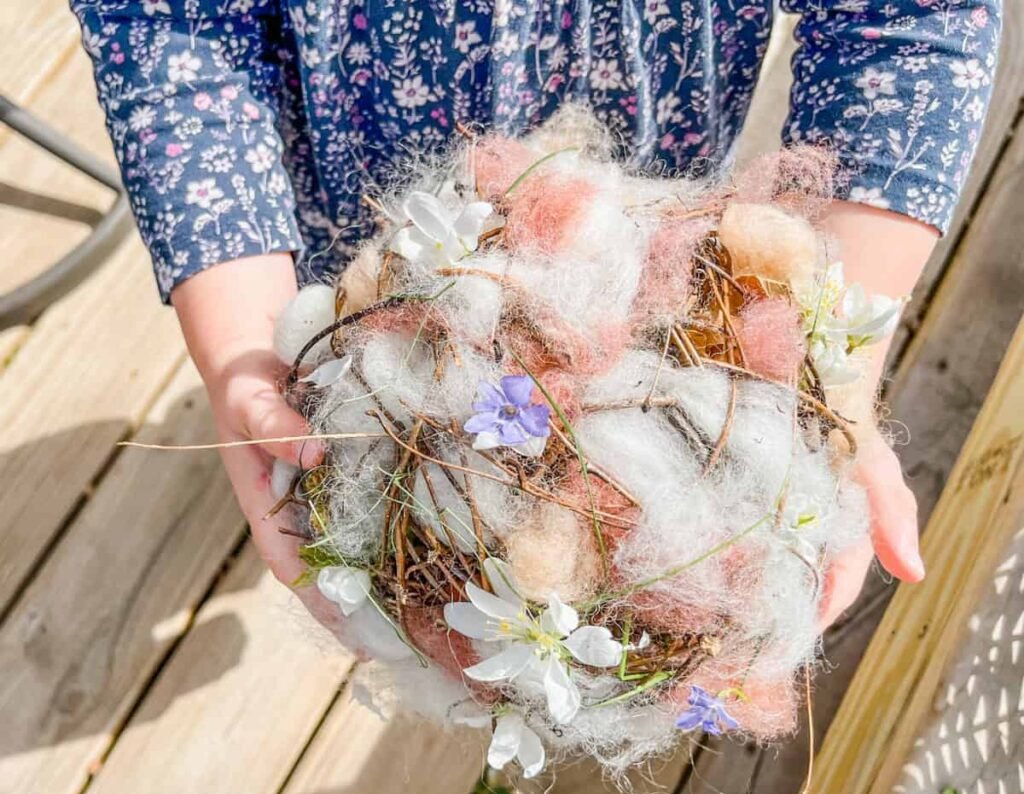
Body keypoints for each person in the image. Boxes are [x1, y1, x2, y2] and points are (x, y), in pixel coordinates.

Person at [71, 0, 1001, 631]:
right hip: (357, 210)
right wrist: (243, 335)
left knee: (593, 451)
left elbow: (908, 18)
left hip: (630, 253)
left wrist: (824, 351)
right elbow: (169, 21)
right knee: (364, 385)